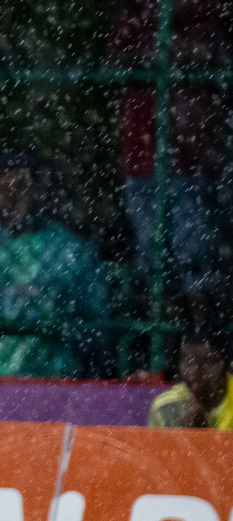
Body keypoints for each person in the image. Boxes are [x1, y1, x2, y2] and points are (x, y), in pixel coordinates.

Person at [111, 0, 229, 320]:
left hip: (188, 156)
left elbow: (212, 55)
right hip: (144, 156)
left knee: (194, 254)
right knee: (154, 258)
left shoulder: (206, 16)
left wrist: (175, 49)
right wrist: (158, 52)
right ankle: (167, 344)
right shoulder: (138, 15)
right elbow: (118, 59)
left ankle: (199, 337)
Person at [0, 152, 111, 379]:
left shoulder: (70, 249)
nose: (9, 198)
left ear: (37, 193)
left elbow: (94, 325)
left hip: (53, 383)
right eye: (2, 189)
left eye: (18, 188)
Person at [148, 330, 233, 428]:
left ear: (227, 367)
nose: (196, 372)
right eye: (189, 361)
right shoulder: (165, 407)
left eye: (209, 362)